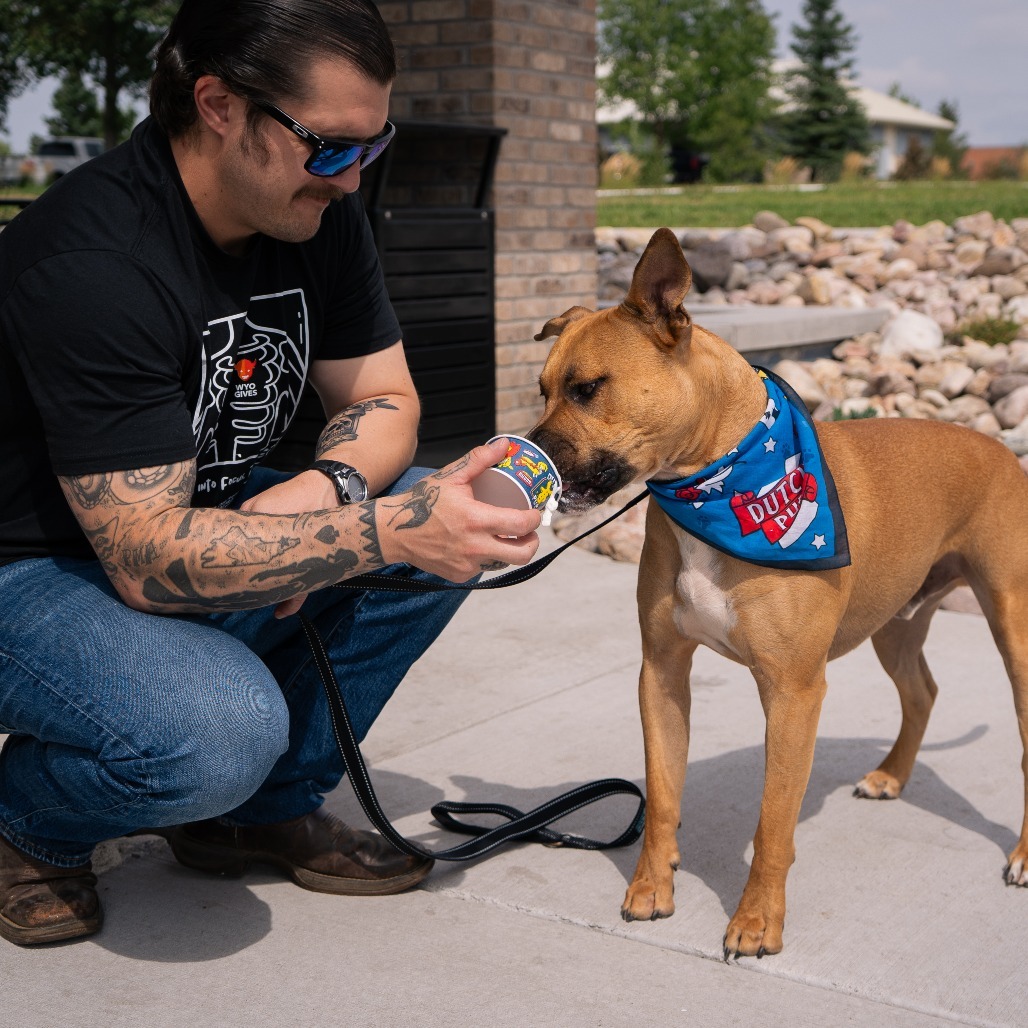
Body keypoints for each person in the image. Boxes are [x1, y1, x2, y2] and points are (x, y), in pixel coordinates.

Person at [0, 0, 541, 946]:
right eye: (331, 147)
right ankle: (28, 822)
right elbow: (144, 560)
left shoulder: (309, 212)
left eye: (374, 147)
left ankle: (252, 812)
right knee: (216, 731)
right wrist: (369, 531)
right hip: (30, 571)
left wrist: (328, 497)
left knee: (432, 525)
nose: (353, 177)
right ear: (217, 104)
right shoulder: (95, 258)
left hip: (180, 527)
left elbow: (387, 399)